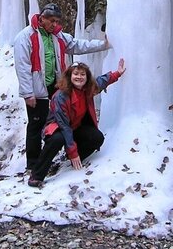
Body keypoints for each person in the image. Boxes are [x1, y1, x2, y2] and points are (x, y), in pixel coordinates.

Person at [13, 3, 109, 173]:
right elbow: (23, 66)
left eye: (57, 21)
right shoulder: (25, 37)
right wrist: (28, 93)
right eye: (51, 21)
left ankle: (66, 151)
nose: (54, 24)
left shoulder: (59, 37)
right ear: (41, 18)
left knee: (61, 122)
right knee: (36, 124)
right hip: (37, 90)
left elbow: (79, 45)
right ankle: (33, 163)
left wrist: (103, 44)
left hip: (57, 87)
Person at [28, 59, 126, 187]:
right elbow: (64, 126)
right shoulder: (60, 97)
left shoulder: (88, 89)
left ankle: (73, 159)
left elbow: (102, 81)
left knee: (97, 138)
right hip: (57, 127)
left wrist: (117, 73)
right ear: (70, 76)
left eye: (82, 74)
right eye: (76, 74)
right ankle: (37, 175)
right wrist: (72, 152)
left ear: (86, 77)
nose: (79, 77)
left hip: (75, 126)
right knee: (57, 139)